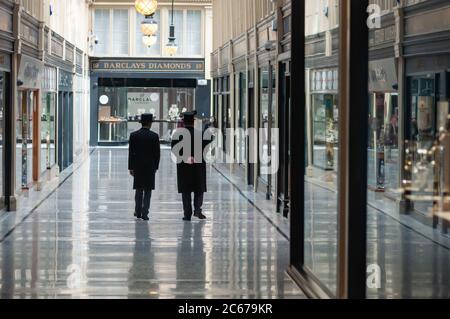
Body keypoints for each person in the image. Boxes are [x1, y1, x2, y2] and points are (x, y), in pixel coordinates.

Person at [171, 111, 211, 221]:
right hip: (198, 165)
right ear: (193, 122)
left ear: (183, 122)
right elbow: (209, 142)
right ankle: (198, 210)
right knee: (199, 188)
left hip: (184, 166)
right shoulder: (201, 133)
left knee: (186, 190)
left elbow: (174, 151)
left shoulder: (177, 135)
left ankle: (187, 213)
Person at [129, 113, 160, 221]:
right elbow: (157, 154)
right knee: (148, 190)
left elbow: (131, 153)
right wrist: (156, 166)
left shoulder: (134, 135)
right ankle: (145, 213)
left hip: (137, 165)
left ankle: (137, 212)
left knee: (138, 189)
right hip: (150, 166)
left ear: (141, 123)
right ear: (150, 123)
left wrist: (131, 167)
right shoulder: (154, 136)